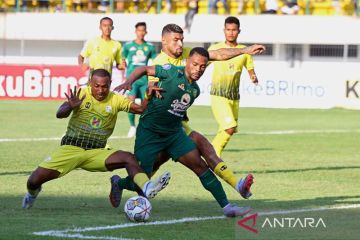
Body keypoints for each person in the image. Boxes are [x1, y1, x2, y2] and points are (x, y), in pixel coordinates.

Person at [115, 24, 265, 199]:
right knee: (148, 170)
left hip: (178, 125)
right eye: (176, 40)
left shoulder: (190, 55)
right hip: (160, 127)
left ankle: (236, 186)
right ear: (164, 41)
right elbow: (151, 88)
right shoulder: (159, 63)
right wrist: (148, 90)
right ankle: (125, 185)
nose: (180, 44)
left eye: (182, 40)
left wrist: (245, 50)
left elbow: (219, 54)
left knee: (203, 146)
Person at [22, 69, 171, 209]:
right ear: (90, 83)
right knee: (33, 181)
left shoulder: (116, 99)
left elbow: (141, 109)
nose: (100, 90)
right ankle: (32, 194)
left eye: (105, 87)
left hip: (98, 151)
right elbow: (60, 114)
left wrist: (147, 96)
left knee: (128, 158)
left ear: (110, 84)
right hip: (71, 149)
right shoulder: (81, 93)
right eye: (97, 86)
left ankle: (147, 186)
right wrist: (69, 106)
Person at [209, 16, 259, 157]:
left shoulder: (245, 50)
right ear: (224, 30)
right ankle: (212, 156)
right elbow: (201, 65)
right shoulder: (215, 49)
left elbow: (249, 67)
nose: (231, 33)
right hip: (218, 95)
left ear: (239, 31)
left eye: (234, 30)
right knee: (229, 127)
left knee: (228, 129)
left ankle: (211, 157)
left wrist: (253, 76)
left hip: (234, 97)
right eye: (228, 29)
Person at [122, 22, 157, 138]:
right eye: (139, 30)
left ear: (146, 32)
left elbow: (153, 63)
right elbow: (123, 61)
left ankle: (144, 127)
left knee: (145, 105)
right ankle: (132, 126)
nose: (141, 32)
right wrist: (124, 77)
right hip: (132, 80)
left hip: (144, 81)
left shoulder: (150, 47)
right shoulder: (127, 46)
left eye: (143, 30)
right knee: (130, 103)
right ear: (135, 31)